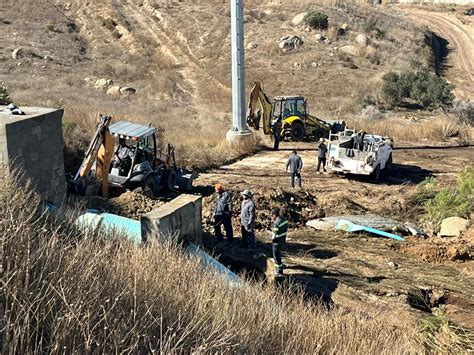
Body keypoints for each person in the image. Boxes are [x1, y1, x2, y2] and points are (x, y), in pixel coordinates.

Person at [271, 208, 288, 276]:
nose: (272, 217)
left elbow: (274, 235)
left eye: (272, 215)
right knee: (279, 255)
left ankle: (279, 271)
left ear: (275, 215)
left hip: (276, 242)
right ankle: (280, 267)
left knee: (276, 256)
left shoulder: (276, 223)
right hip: (282, 240)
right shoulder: (284, 220)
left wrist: (272, 239)